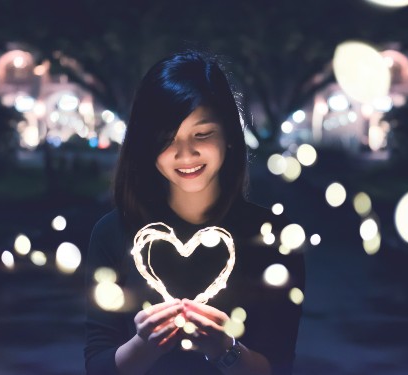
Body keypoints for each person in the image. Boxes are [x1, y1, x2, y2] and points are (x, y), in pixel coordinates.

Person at [84, 51, 305, 375]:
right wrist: (145, 344)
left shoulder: (273, 236)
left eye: (202, 134)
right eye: (167, 139)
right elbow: (97, 366)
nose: (185, 154)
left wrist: (224, 349)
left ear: (229, 135)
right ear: (146, 144)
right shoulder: (113, 233)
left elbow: (279, 366)